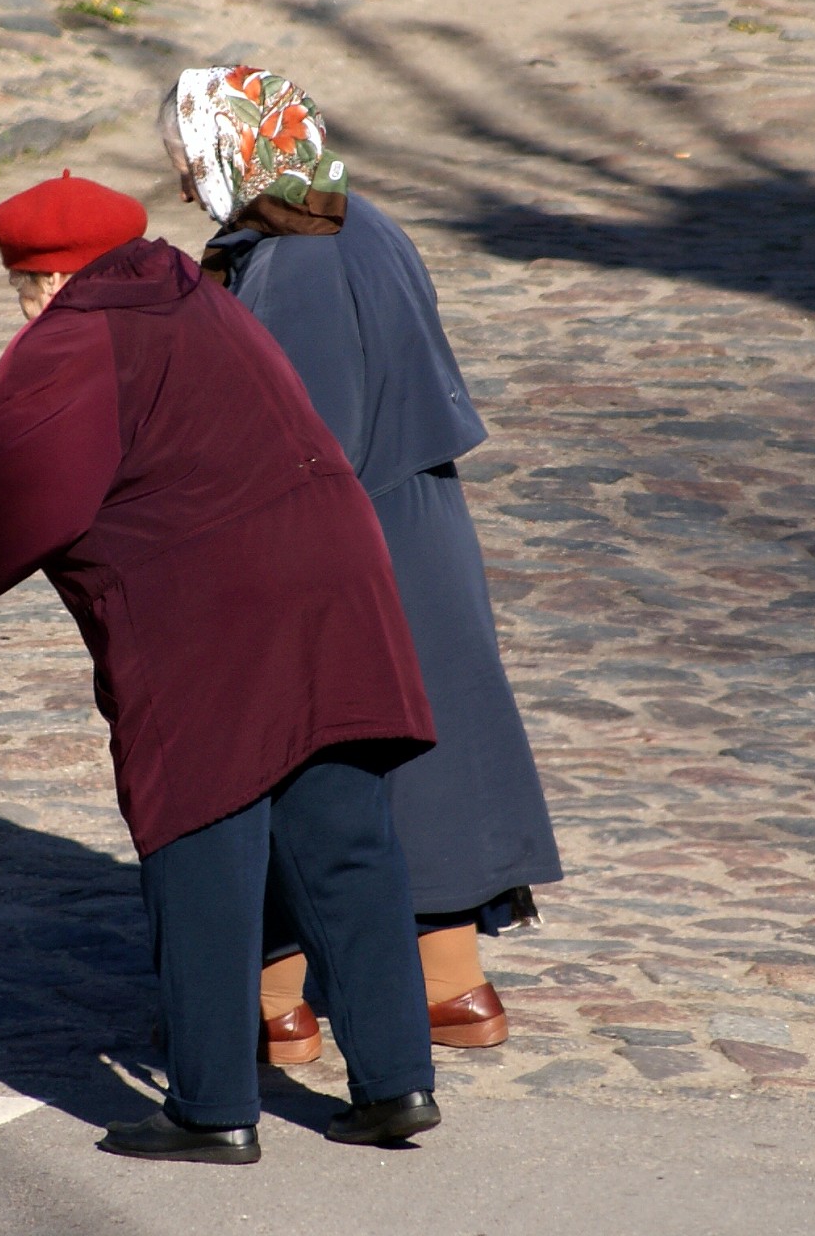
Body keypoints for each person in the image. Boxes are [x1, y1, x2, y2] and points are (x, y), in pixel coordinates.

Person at [0, 171, 442, 1164]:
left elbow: (10, 492)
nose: (22, 303)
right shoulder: (189, 292)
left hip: (212, 618)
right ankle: (395, 1085)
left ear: (43, 277)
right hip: (333, 579)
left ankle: (213, 1106)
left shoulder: (72, 336)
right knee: (340, 835)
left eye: (19, 284)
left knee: (200, 834)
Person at [160, 67, 563, 1063]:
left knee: (287, 749)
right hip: (411, 523)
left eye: (184, 162)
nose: (177, 188)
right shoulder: (354, 219)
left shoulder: (294, 258)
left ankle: (272, 1005)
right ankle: (450, 988)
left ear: (234, 148)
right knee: (431, 747)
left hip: (335, 540)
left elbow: (294, 434)